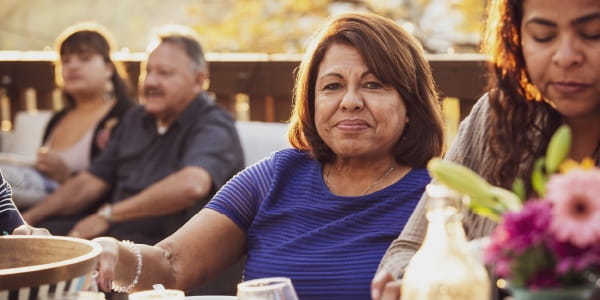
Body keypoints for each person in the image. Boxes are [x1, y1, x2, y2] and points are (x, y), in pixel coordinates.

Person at [92, 12, 444, 299]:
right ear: (311, 101)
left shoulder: (438, 198)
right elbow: (171, 264)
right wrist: (107, 252)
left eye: (373, 85)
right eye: (332, 86)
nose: (350, 101)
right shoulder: (275, 176)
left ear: (409, 104)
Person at [371, 0, 600, 298]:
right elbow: (408, 249)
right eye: (543, 36)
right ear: (518, 39)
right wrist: (416, 281)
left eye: (593, 33)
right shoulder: (499, 117)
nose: (566, 56)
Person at [22, 25, 245, 245]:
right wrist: (27, 219)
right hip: (115, 237)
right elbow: (89, 183)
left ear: (198, 81)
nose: (150, 82)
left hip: (170, 249)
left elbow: (192, 185)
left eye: (164, 73)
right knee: (34, 241)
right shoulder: (135, 119)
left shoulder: (213, 123)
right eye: (147, 72)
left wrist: (108, 215)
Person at [1, 23, 133, 209]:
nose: (73, 66)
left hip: (85, 214)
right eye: (66, 60)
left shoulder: (126, 117)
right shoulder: (57, 119)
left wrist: (66, 176)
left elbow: (119, 183)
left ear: (109, 68)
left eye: (85, 58)